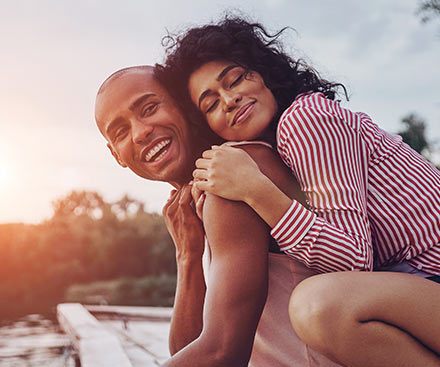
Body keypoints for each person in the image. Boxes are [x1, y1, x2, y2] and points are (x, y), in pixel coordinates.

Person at [156, 16, 440, 366]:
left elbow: (354, 262)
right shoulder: (268, 154)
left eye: (235, 79)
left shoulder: (305, 120)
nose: (229, 100)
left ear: (262, 73)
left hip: (431, 275)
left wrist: (257, 191)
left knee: (318, 306)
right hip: (421, 289)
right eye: (210, 104)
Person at [94, 65, 342, 366]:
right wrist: (187, 256)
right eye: (121, 132)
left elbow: (223, 353)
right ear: (116, 154)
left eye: (149, 108)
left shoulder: (237, 173)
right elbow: (186, 348)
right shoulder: (201, 197)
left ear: (184, 104)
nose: (141, 132)